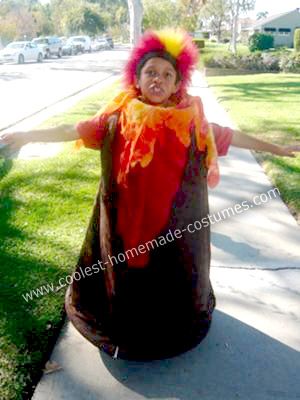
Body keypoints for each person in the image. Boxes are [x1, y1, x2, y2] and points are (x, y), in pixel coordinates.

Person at [1, 29, 299, 360]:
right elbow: (70, 130)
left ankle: (166, 331)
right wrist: (27, 135)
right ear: (138, 79)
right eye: (151, 73)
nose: (158, 79)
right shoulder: (115, 117)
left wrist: (277, 147)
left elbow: (232, 136)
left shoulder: (192, 123)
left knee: (166, 282)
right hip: (123, 222)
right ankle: (122, 330)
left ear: (177, 84)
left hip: (174, 227)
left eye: (167, 74)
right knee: (125, 279)